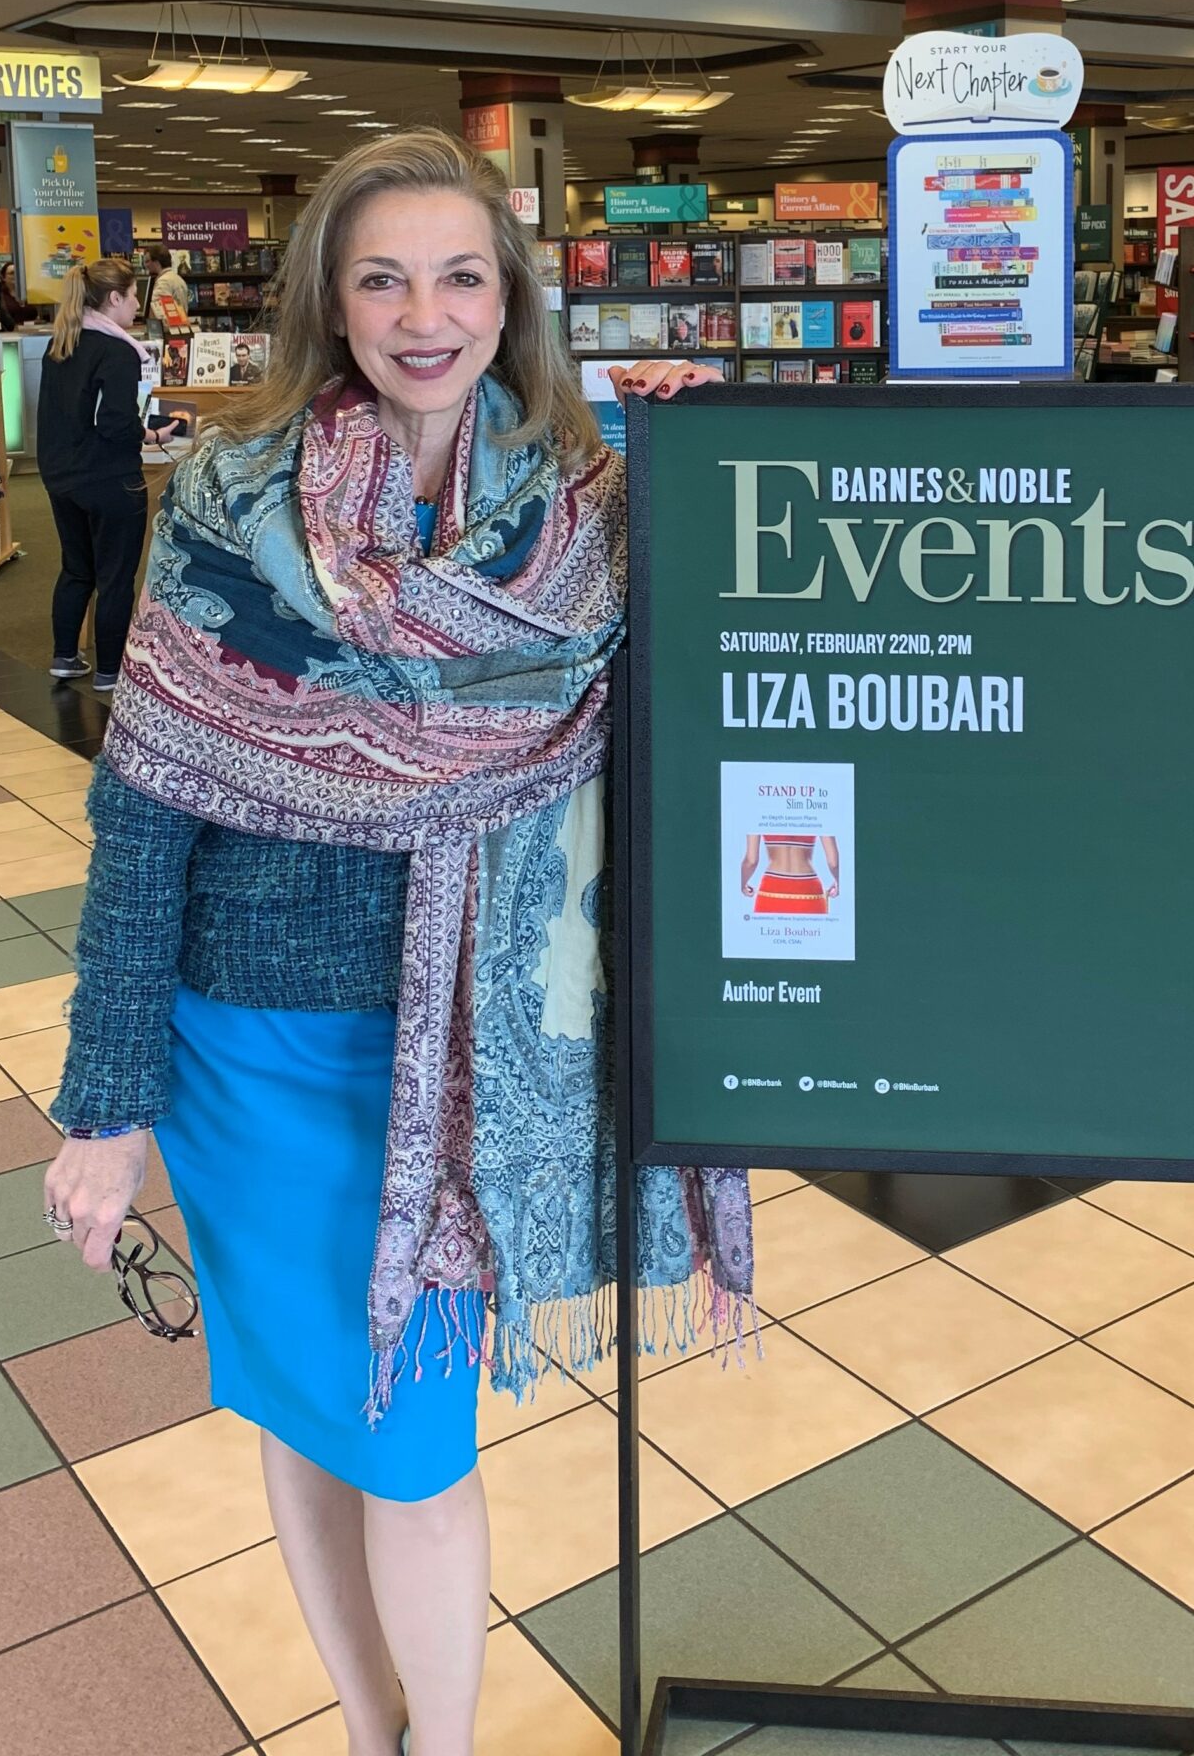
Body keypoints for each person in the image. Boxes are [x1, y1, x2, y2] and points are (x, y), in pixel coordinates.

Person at [43, 130, 753, 1756]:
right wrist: (110, 1101)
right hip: (253, 1039)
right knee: (307, 1419)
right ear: (331, 303)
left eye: (457, 274)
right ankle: (377, 1738)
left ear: (507, 297)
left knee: (416, 1450)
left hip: (467, 1054)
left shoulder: (596, 506)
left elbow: (682, 736)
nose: (423, 314)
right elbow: (150, 812)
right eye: (382, 278)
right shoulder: (232, 498)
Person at [36, 257, 172, 693]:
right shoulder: (117, 352)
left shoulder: (63, 342)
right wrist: (149, 434)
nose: (137, 306)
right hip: (110, 479)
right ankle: (111, 671)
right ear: (114, 298)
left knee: (76, 568)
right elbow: (115, 422)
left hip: (62, 476)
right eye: (133, 296)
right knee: (116, 576)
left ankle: (64, 655)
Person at [146, 246, 192, 335]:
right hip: (180, 330)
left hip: (168, 332)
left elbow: (158, 312)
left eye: (148, 261)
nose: (146, 265)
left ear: (156, 262)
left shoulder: (163, 282)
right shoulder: (178, 278)